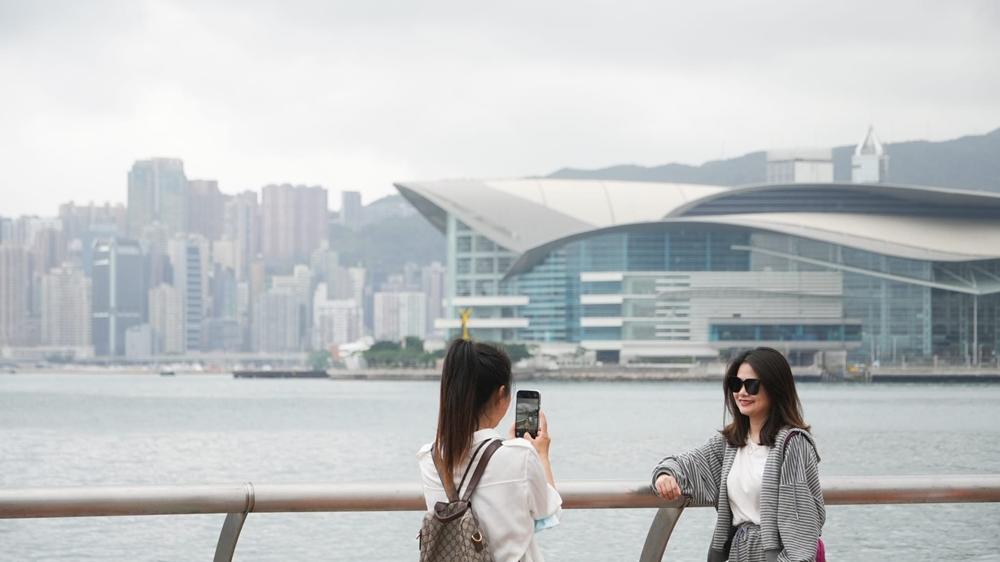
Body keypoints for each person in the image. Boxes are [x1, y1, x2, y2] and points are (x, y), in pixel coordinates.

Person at [651, 347, 825, 562]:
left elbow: (800, 526)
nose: (741, 392)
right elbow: (687, 465)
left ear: (775, 388)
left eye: (751, 385)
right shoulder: (730, 443)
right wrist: (666, 476)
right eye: (736, 384)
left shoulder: (793, 445)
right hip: (739, 553)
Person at [418, 339, 562, 562]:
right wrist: (541, 454)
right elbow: (547, 511)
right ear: (501, 394)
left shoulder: (429, 458)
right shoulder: (521, 456)